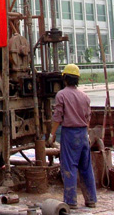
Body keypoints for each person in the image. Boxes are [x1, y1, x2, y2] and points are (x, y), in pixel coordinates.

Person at [50, 63, 97, 209]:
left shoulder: (61, 95)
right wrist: (86, 134)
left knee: (69, 167)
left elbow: (57, 117)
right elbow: (88, 117)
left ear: (64, 78)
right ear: (77, 79)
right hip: (83, 134)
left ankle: (71, 201)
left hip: (70, 134)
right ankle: (91, 200)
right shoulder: (85, 96)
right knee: (86, 167)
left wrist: (52, 135)